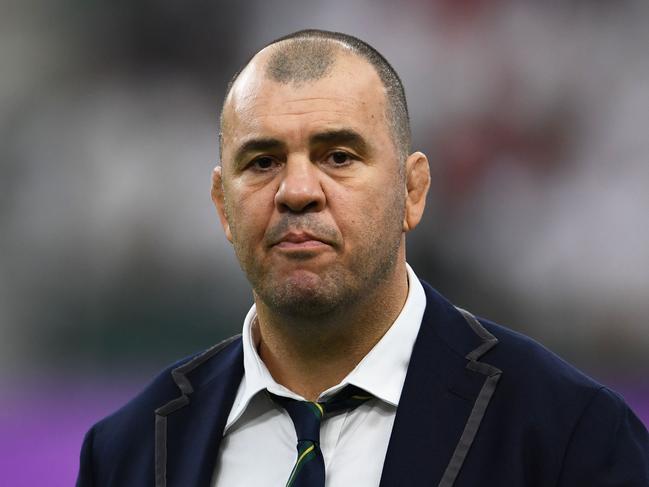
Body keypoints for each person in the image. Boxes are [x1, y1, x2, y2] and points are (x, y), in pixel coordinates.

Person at [76, 29, 649, 487]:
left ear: (413, 190)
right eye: (262, 162)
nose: (297, 190)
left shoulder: (567, 433)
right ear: (223, 206)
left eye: (339, 156)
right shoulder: (127, 452)